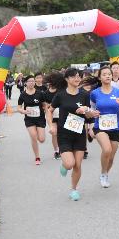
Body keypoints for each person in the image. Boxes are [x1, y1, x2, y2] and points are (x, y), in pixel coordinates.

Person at [49, 69, 98, 201]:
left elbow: (88, 114)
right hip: (64, 135)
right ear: (67, 79)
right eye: (74, 77)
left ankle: (74, 189)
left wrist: (89, 112)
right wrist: (51, 125)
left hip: (79, 133)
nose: (77, 79)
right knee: (70, 163)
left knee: (77, 164)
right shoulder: (60, 95)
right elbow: (50, 110)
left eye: (79, 76)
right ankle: (65, 165)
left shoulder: (84, 94)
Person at [89, 66, 119, 188]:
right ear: (100, 77)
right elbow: (91, 109)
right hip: (100, 126)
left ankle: (105, 173)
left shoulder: (118, 92)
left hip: (116, 127)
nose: (107, 76)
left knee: (111, 157)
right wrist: (92, 116)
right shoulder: (94, 93)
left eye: (109, 74)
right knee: (106, 150)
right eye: (104, 74)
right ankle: (103, 175)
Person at [16, 74, 47, 165]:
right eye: (30, 81)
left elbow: (44, 105)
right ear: (26, 83)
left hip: (40, 118)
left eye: (33, 81)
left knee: (41, 139)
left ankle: (38, 134)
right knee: (33, 136)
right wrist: (23, 111)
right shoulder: (23, 95)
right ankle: (37, 157)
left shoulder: (40, 93)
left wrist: (47, 111)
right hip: (29, 119)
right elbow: (18, 107)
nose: (32, 83)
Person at [42, 74, 61, 160]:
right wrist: (51, 105)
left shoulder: (61, 91)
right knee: (54, 133)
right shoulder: (45, 93)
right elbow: (45, 107)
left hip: (61, 114)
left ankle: (64, 149)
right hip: (51, 115)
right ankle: (56, 151)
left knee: (63, 133)